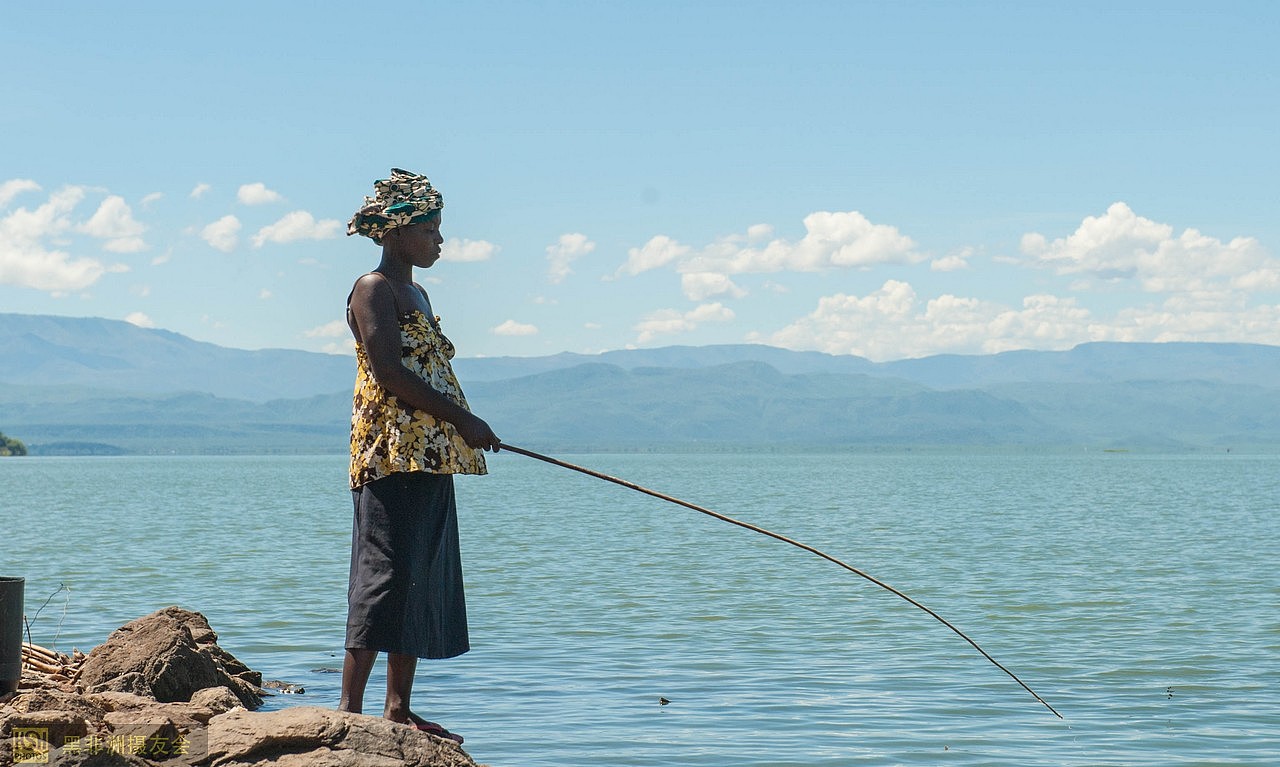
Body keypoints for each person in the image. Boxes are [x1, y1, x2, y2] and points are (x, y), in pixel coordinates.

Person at [339, 168, 500, 745]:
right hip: (388, 457)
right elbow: (389, 372)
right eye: (431, 228)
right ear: (399, 232)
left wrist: (462, 429)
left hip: (430, 457)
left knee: (418, 577)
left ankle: (398, 709)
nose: (439, 240)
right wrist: (463, 418)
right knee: (382, 577)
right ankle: (349, 711)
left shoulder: (420, 293)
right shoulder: (372, 288)